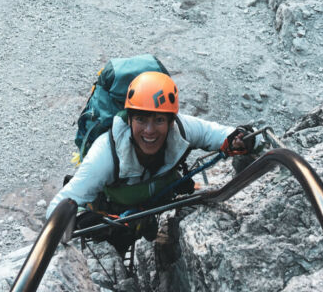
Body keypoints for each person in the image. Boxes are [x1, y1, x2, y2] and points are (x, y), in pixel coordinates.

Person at [46, 71, 261, 252]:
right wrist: (80, 220)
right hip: (114, 221)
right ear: (129, 119)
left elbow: (230, 135)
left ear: (171, 121)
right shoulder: (106, 153)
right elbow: (56, 209)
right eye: (141, 119)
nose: (149, 131)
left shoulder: (182, 129)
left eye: (158, 120)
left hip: (153, 210)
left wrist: (245, 140)